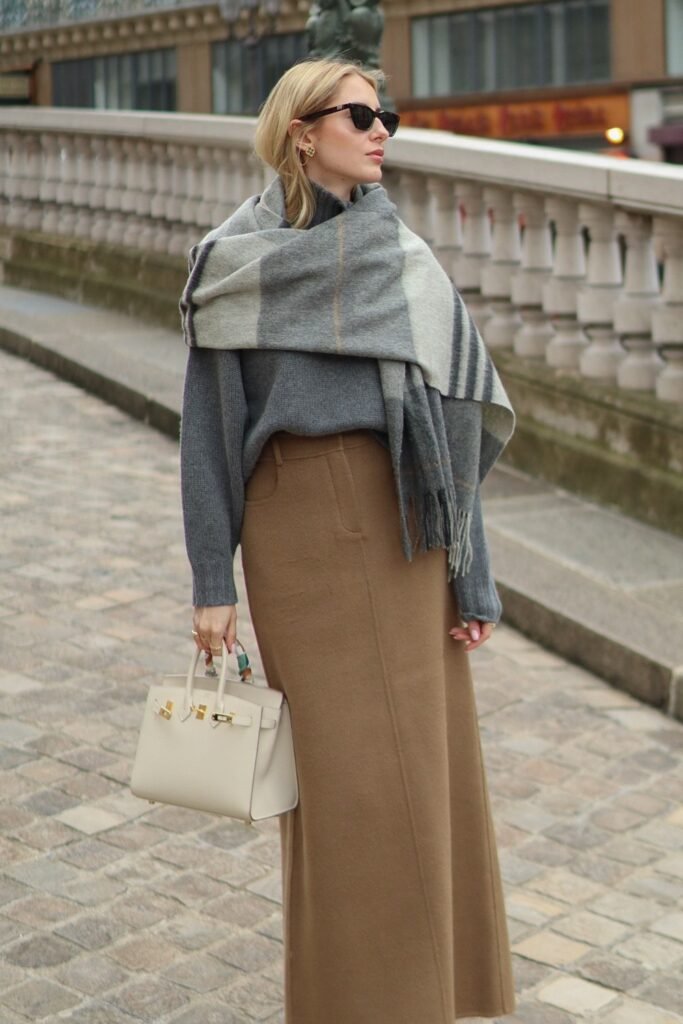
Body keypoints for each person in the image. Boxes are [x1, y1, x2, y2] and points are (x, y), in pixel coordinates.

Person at [179, 57, 517, 1024]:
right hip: (297, 533)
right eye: (360, 114)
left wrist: (471, 579)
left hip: (405, 532)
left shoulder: (400, 257)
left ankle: (429, 998)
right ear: (300, 129)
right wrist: (213, 582)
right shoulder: (233, 261)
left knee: (428, 777)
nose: (381, 132)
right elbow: (208, 432)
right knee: (349, 799)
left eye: (389, 117)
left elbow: (452, 426)